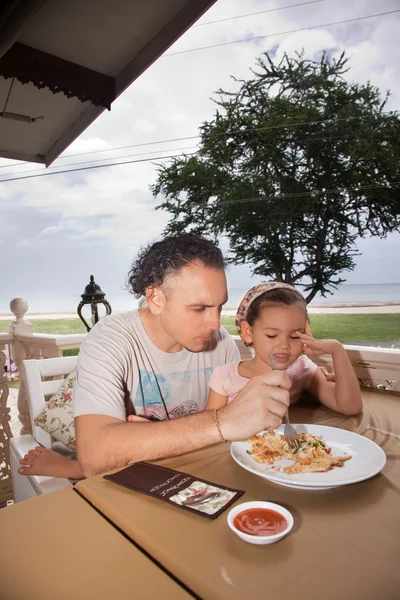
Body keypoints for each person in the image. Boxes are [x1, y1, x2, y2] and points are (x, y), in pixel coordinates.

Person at [18, 234, 292, 479]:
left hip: (198, 473)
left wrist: (149, 437)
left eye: (219, 306)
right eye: (199, 308)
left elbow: (236, 435)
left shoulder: (220, 343)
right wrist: (222, 421)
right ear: (156, 298)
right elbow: (96, 456)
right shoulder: (110, 339)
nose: (215, 323)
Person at [205, 282, 362, 416]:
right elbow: (210, 425)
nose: (284, 346)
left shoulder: (301, 369)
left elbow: (349, 406)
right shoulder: (225, 377)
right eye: (272, 335)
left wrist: (336, 349)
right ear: (248, 332)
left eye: (295, 336)